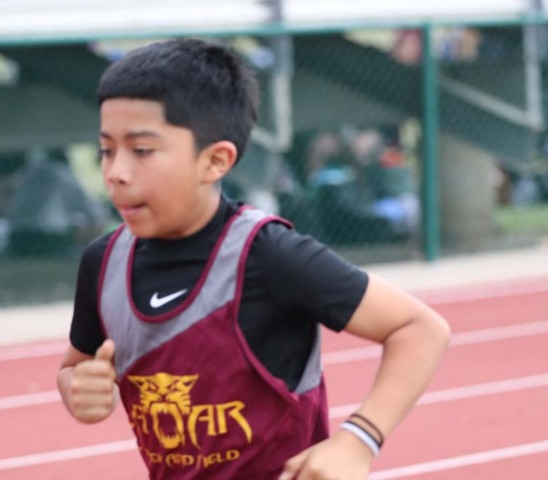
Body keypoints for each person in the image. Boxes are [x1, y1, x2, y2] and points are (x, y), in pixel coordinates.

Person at [56, 38, 450, 480]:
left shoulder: (269, 256)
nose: (116, 173)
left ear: (215, 161)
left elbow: (420, 329)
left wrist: (360, 439)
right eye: (106, 150)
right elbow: (75, 366)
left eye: (142, 151)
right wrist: (78, 388)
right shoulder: (103, 264)